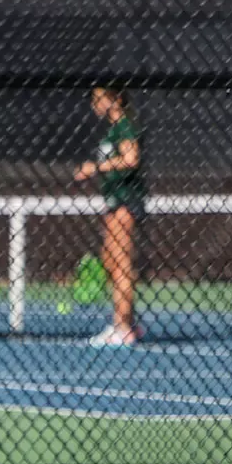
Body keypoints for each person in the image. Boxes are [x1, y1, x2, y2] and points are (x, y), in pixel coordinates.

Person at [72, 85, 143, 346]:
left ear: (117, 99)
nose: (96, 104)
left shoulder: (124, 127)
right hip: (113, 201)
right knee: (111, 262)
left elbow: (131, 159)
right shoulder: (113, 130)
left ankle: (122, 327)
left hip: (125, 201)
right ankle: (128, 323)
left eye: (100, 99)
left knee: (121, 264)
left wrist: (95, 167)